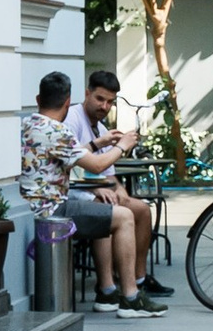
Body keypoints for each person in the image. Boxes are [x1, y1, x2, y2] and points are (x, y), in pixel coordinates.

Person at [21, 69, 160, 315]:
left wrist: (99, 143)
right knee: (124, 217)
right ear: (68, 102)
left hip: (31, 208)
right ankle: (130, 296)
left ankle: (113, 290)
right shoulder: (58, 131)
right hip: (54, 210)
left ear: (38, 99)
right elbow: (96, 166)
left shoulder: (28, 124)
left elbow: (70, 155)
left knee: (108, 211)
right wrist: (122, 146)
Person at [69, 68, 170, 304]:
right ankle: (107, 288)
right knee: (108, 208)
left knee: (141, 209)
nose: (104, 106)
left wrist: (121, 192)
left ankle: (138, 278)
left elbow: (110, 176)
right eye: (99, 99)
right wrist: (97, 187)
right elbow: (69, 163)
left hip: (96, 189)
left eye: (110, 102)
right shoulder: (72, 119)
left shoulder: (104, 128)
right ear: (87, 93)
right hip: (75, 192)